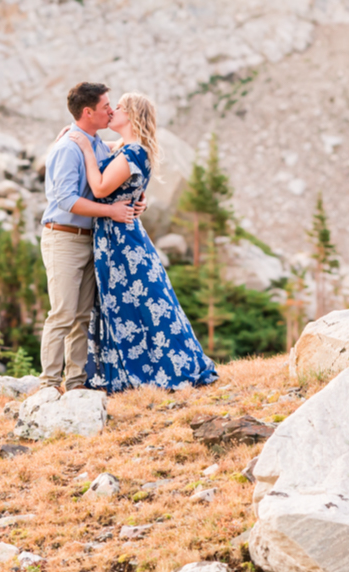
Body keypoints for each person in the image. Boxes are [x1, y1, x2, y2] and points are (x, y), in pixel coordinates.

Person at [66, 92, 218, 392]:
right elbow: (108, 149)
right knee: (129, 302)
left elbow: (99, 188)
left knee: (137, 303)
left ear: (132, 116)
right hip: (116, 236)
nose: (112, 111)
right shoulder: (127, 148)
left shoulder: (132, 152)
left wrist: (84, 147)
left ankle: (152, 369)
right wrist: (80, 135)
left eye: (119, 107)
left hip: (121, 240)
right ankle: (135, 366)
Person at [37, 82, 139, 392]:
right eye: (106, 106)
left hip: (90, 238)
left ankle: (75, 382)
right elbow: (66, 200)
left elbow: (121, 158)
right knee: (62, 314)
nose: (111, 110)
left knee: (82, 316)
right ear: (88, 112)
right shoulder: (67, 148)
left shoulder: (94, 143)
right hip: (63, 238)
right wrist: (110, 212)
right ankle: (48, 383)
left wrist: (138, 197)